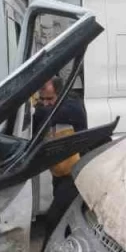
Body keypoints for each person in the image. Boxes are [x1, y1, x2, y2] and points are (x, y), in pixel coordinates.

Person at [34, 76, 88, 230]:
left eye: (50, 98)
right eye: (42, 99)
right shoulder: (49, 107)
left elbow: (45, 115)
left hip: (74, 175)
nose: (45, 103)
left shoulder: (72, 108)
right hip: (58, 174)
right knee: (66, 220)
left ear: (61, 93)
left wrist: (36, 107)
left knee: (54, 219)